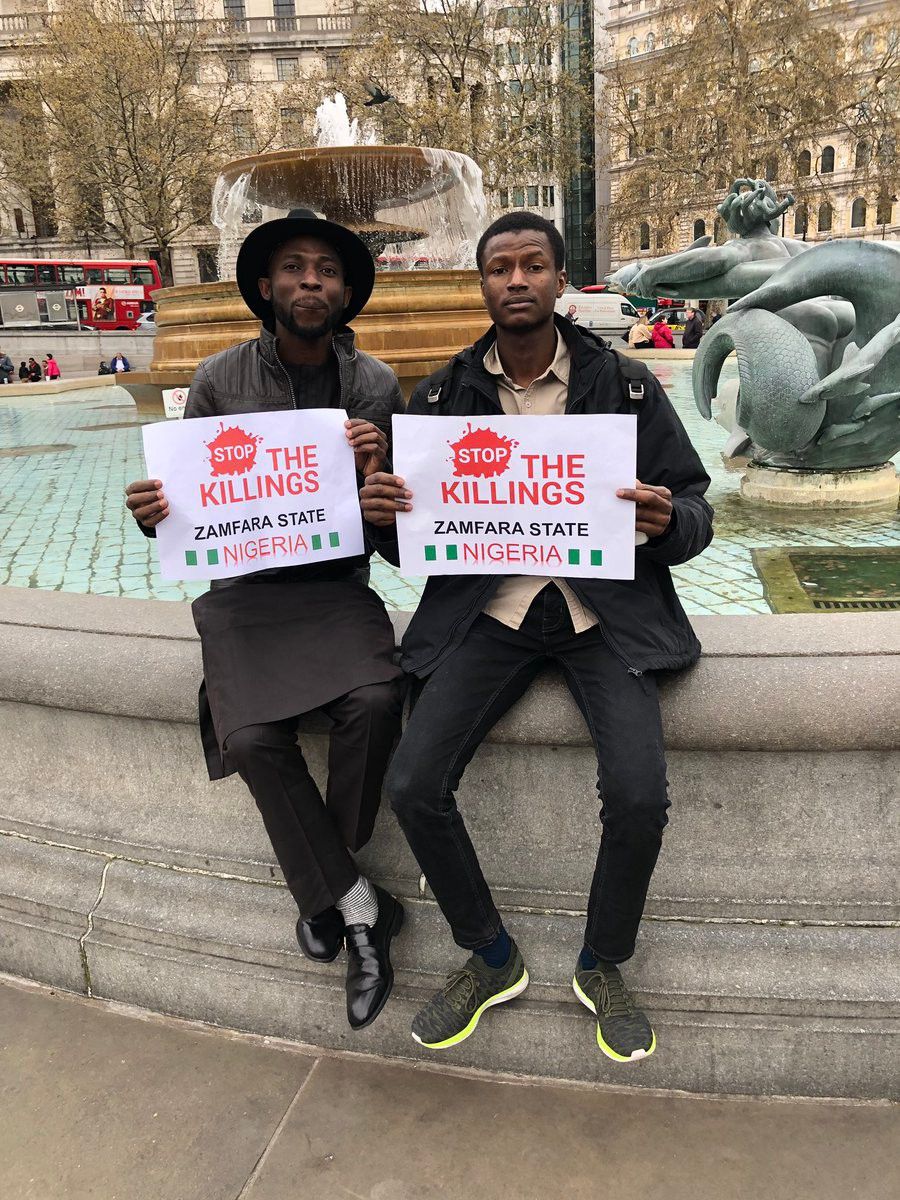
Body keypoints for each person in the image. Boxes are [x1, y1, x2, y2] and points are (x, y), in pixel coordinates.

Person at [361, 211, 713, 1061]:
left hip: (604, 617)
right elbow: (417, 544)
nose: (514, 281)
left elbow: (698, 509)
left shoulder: (627, 385)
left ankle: (602, 962)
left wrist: (669, 521)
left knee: (638, 796)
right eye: (498, 268)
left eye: (531, 266)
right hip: (492, 614)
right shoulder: (442, 396)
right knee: (413, 784)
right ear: (481, 284)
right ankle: (490, 955)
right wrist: (378, 517)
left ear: (560, 280)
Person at [125, 209, 407, 1031]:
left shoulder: (378, 387)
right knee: (248, 739)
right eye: (293, 267)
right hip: (246, 596)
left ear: (347, 290)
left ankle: (323, 884)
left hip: (332, 587)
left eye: (325, 269)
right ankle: (357, 904)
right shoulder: (217, 380)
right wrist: (153, 512)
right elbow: (192, 512)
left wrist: (376, 490)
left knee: (378, 702)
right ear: (265, 286)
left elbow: (390, 543)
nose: (309, 281)